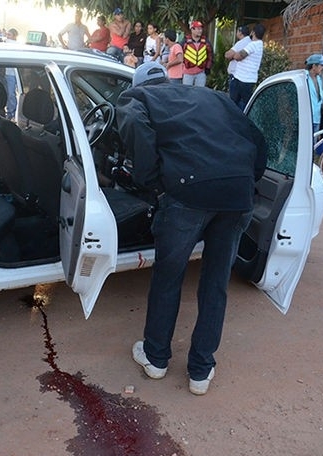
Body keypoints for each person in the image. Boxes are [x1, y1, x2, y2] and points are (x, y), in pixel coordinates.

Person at [116, 62, 267, 395]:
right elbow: (257, 139)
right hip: (237, 194)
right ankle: (201, 371)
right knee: (215, 284)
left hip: (187, 195)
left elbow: (134, 127)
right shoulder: (214, 97)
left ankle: (155, 358)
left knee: (169, 276)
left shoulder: (136, 96)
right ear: (169, 80)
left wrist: (153, 183)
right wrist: (244, 181)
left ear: (141, 83)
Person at [226, 24, 265, 110]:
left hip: (242, 79)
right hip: (249, 80)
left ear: (253, 32)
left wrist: (235, 55)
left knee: (234, 104)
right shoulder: (260, 44)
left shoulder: (253, 45)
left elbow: (238, 56)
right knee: (246, 105)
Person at [304, 53, 323, 135]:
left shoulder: (319, 79)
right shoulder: (304, 77)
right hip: (306, 119)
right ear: (314, 66)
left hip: (316, 119)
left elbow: (318, 100)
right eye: (321, 65)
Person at [182, 20, 213, 86]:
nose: (200, 31)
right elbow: (180, 55)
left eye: (201, 29)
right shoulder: (185, 41)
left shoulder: (206, 41)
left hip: (201, 73)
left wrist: (208, 67)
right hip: (187, 73)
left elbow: (210, 55)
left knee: (200, 92)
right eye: (198, 29)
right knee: (187, 93)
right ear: (192, 30)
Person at [5, 28, 19, 119]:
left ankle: (12, 113)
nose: (7, 36)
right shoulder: (5, 44)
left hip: (15, 74)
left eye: (9, 35)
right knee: (10, 94)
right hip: (8, 73)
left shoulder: (16, 46)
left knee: (12, 94)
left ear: (14, 36)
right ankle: (10, 112)